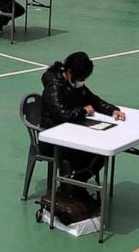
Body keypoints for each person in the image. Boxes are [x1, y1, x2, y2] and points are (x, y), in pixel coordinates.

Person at [38, 52, 126, 206]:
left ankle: (77, 183)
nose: (82, 82)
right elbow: (61, 116)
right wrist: (83, 111)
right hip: (53, 139)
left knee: (101, 152)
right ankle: (74, 186)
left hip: (71, 133)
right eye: (80, 79)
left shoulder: (74, 84)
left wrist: (112, 110)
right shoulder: (54, 87)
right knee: (90, 153)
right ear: (69, 72)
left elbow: (93, 100)